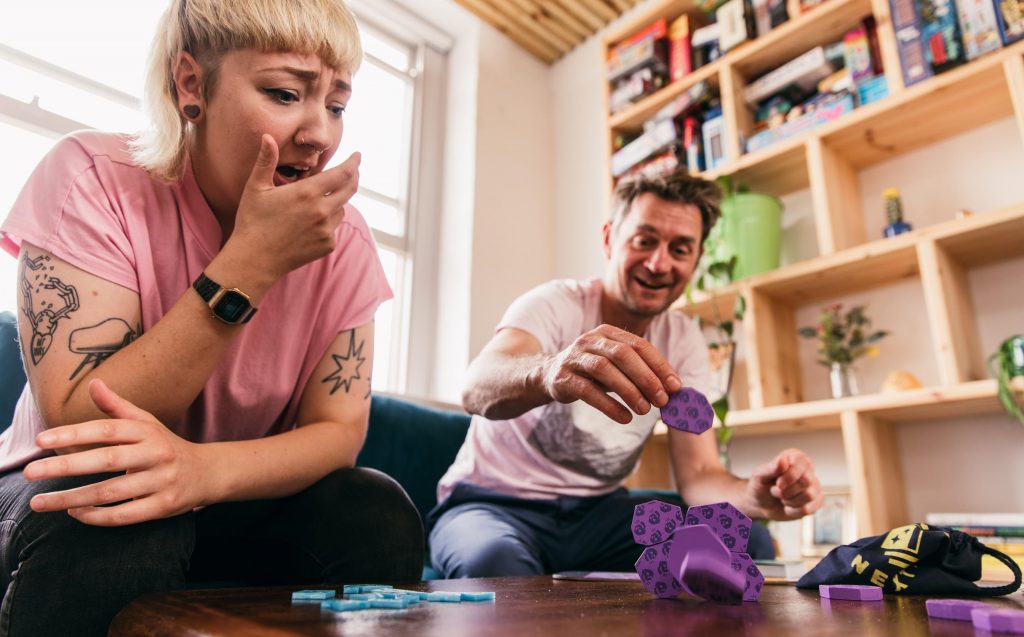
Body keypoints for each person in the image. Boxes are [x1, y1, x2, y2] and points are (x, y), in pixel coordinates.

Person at [0, 1, 423, 634]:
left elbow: (338, 431)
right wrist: (249, 264)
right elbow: (88, 423)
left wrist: (201, 473)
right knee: (121, 504)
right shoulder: (91, 178)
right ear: (191, 85)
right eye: (285, 93)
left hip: (229, 490)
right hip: (56, 486)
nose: (321, 134)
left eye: (336, 105)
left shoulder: (345, 242)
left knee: (375, 510)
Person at [429, 170, 824, 578]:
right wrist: (549, 371)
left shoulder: (683, 340)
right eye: (644, 241)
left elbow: (700, 473)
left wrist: (752, 496)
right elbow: (476, 388)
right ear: (609, 239)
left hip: (600, 517)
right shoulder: (555, 304)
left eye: (680, 249)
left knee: (745, 538)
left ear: (696, 260)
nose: (658, 263)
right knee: (495, 562)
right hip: (492, 505)